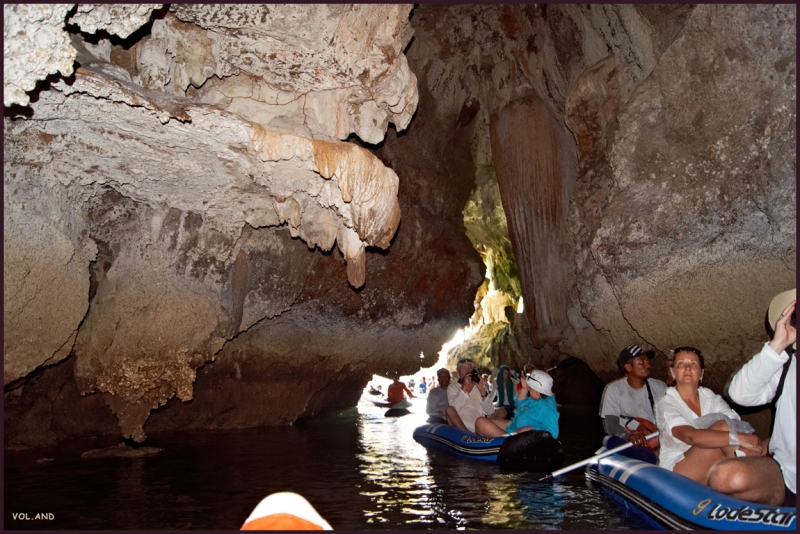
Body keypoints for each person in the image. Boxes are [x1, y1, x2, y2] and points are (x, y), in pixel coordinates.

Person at [708, 289, 796, 507]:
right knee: (723, 476)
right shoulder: (785, 367)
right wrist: (777, 346)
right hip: (787, 478)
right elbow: (740, 395)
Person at [655, 347, 766, 490]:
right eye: (681, 363)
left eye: (693, 364)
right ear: (673, 372)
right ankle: (755, 485)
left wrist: (740, 439)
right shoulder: (666, 402)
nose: (688, 368)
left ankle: (752, 483)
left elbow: (737, 424)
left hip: (713, 461)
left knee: (740, 432)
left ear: (701, 373)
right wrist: (736, 438)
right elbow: (690, 436)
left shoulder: (711, 398)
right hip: (679, 469)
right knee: (723, 427)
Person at [599, 344, 667, 463]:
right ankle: (651, 459)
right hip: (630, 441)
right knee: (610, 440)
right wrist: (629, 436)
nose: (647, 365)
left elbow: (669, 418)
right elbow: (611, 425)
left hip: (656, 438)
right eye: (641, 362)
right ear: (628, 367)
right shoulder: (613, 390)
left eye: (647, 361)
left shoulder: (660, 387)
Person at [475, 370, 559, 438]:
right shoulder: (536, 399)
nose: (529, 389)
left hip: (517, 439)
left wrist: (530, 429)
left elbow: (553, 433)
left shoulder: (546, 407)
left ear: (536, 390)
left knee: (480, 422)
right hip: (515, 425)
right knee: (485, 421)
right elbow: (520, 404)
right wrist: (524, 388)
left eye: (530, 387)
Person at [446, 358, 506, 433]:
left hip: (480, 426)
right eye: (464, 367)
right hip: (463, 429)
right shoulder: (453, 387)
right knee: (449, 409)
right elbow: (455, 408)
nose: (468, 370)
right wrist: (464, 387)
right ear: (458, 370)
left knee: (502, 411)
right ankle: (468, 435)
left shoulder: (479, 385)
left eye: (470, 367)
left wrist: (482, 391)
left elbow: (490, 411)